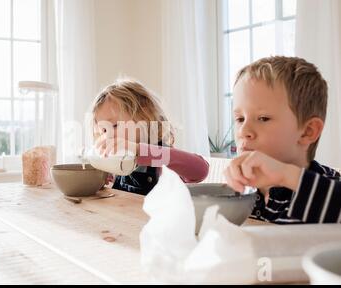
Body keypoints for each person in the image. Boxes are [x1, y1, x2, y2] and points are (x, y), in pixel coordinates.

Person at [224, 56, 341, 224]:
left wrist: (284, 175)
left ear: (307, 132)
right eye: (240, 119)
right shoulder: (240, 191)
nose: (243, 131)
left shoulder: (326, 186)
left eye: (263, 118)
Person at [92, 79, 209, 195]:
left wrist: (138, 150)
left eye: (115, 125)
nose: (108, 135)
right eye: (104, 130)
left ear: (144, 115)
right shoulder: (120, 161)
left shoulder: (160, 154)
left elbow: (201, 170)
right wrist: (103, 177)